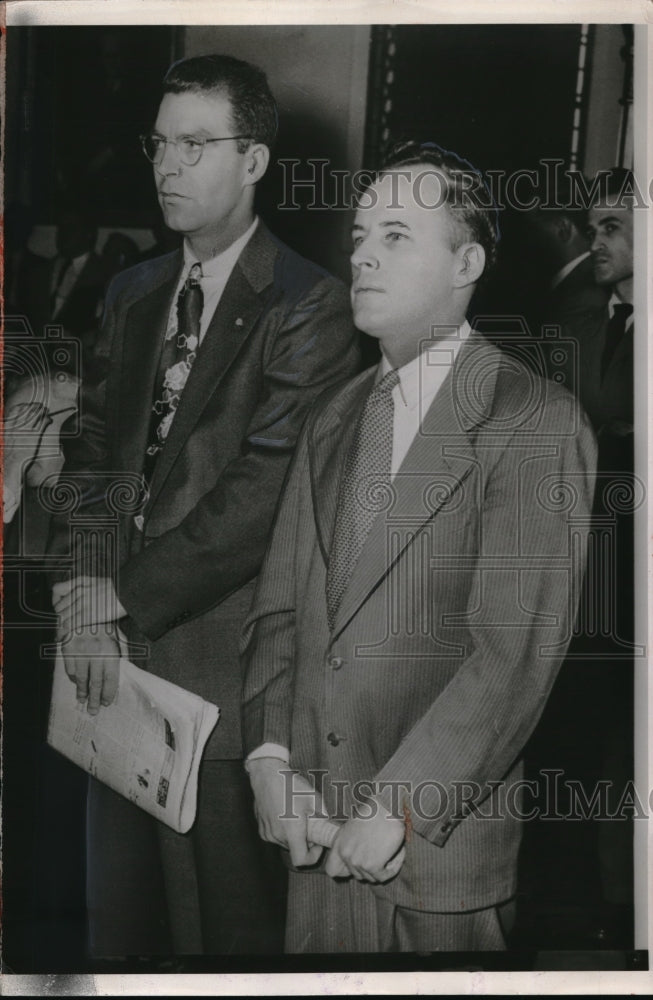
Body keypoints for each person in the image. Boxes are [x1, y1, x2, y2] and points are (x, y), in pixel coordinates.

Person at [242, 140, 597, 953]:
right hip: (313, 834)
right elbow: (279, 606)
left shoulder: (531, 420)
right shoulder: (333, 418)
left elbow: (513, 653)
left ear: (465, 261)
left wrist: (399, 800)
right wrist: (267, 755)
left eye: (396, 234)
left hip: (434, 853)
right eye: (360, 233)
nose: (362, 251)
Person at [47, 53, 360, 957]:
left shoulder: (310, 306)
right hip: (104, 664)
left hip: (222, 674)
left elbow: (257, 496)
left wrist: (122, 595)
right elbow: (93, 459)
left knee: (221, 938)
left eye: (195, 144)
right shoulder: (133, 291)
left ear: (253, 161)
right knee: (119, 932)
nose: (167, 166)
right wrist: (82, 602)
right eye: (159, 144)